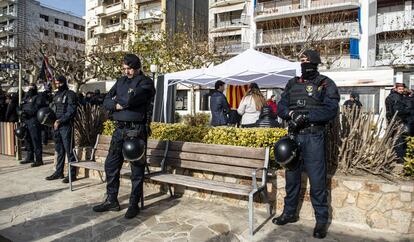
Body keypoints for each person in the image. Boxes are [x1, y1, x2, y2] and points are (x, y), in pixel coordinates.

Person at [274, 50, 340, 239]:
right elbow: (281, 107)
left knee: (317, 180)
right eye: (301, 60)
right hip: (294, 135)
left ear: (315, 62)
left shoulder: (325, 83)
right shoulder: (292, 83)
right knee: (291, 177)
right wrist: (293, 115)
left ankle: (321, 220)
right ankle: (289, 213)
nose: (304, 63)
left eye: (307, 60)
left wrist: (307, 117)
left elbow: (330, 110)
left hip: (314, 136)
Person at [92, 54, 155, 219]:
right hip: (119, 130)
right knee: (110, 165)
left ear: (137, 66)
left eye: (129, 68)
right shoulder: (120, 81)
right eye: (124, 68)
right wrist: (117, 104)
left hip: (136, 131)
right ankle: (112, 200)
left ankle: (133, 204)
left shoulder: (146, 82)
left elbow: (131, 99)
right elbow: (105, 101)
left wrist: (120, 102)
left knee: (136, 170)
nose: (126, 71)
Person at [45, 76, 78, 183]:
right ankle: (59, 172)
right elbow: (53, 110)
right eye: (56, 83)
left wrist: (60, 121)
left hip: (66, 126)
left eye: (59, 83)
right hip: (56, 126)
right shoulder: (56, 95)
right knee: (59, 151)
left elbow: (71, 111)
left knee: (69, 151)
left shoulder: (70, 94)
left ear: (64, 83)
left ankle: (72, 175)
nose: (57, 85)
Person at [18, 83, 47, 167]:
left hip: (33, 121)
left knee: (36, 140)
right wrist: (20, 112)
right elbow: (20, 106)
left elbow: (37, 108)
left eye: (32, 87)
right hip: (26, 121)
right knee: (27, 140)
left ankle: (38, 160)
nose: (30, 89)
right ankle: (30, 157)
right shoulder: (26, 97)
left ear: (35, 88)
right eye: (29, 87)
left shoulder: (38, 97)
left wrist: (26, 112)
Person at [385, 83, 411, 163]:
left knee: (397, 139)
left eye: (402, 89)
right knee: (399, 139)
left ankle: (397, 156)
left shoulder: (398, 97)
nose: (401, 90)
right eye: (400, 89)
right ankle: (399, 158)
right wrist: (408, 111)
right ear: (396, 89)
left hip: (395, 120)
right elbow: (397, 110)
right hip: (397, 120)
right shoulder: (395, 97)